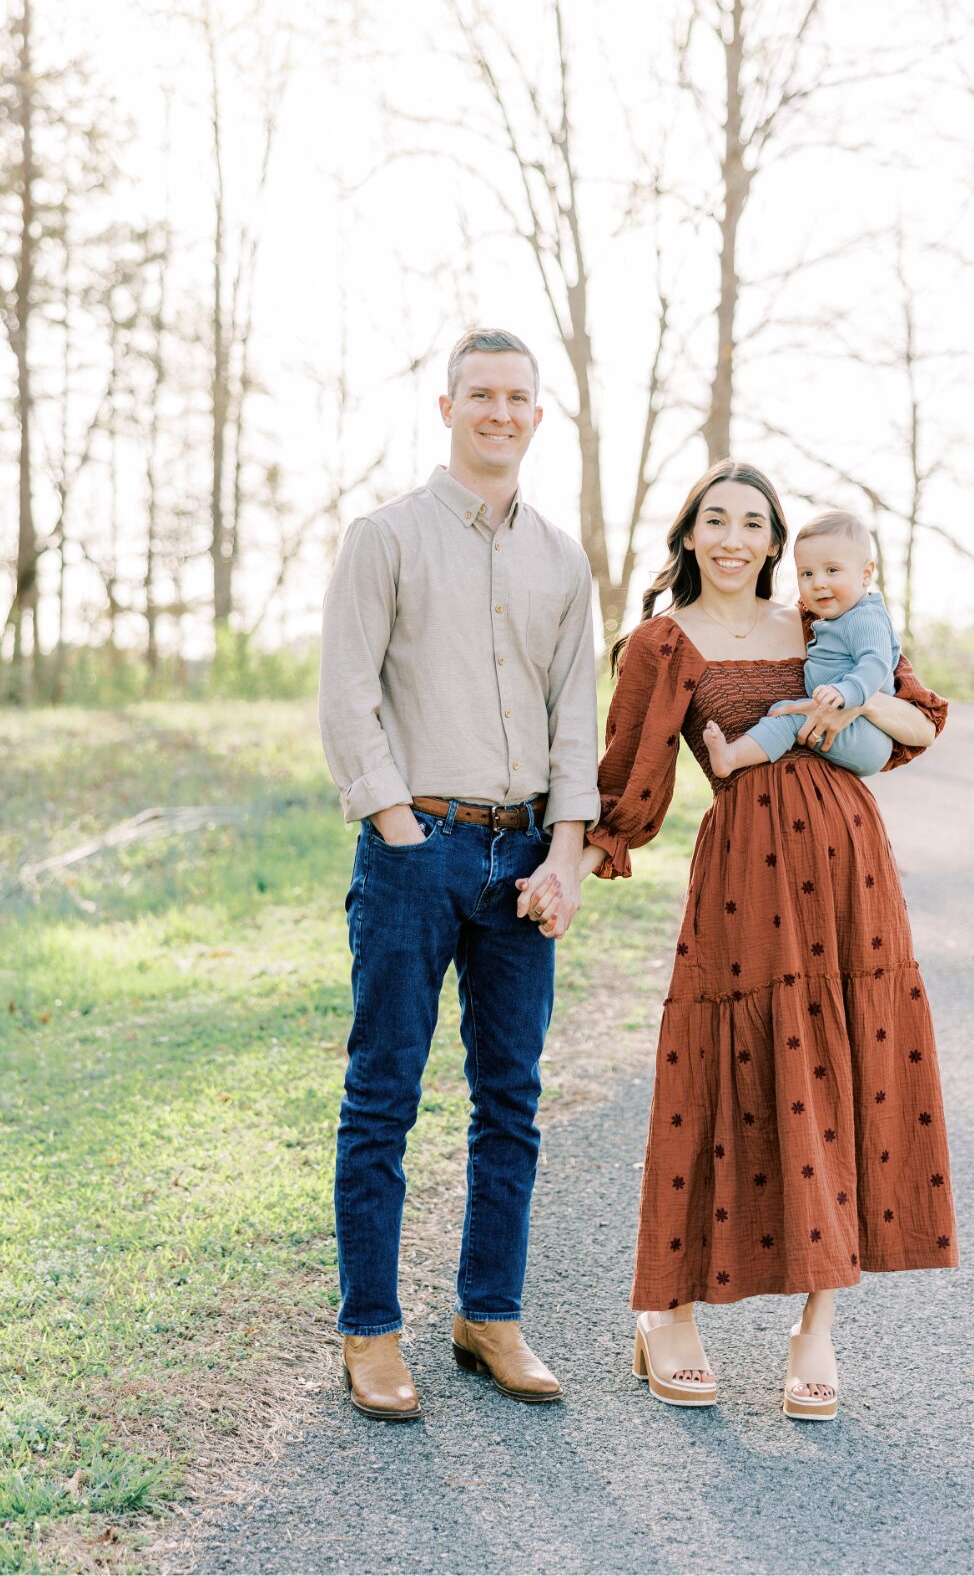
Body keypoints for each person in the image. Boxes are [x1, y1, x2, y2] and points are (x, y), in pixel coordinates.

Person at [577, 460, 957, 1420]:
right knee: (716, 1080)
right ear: (691, 534)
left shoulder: (827, 623)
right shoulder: (665, 644)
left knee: (851, 1073)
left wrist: (854, 700)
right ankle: (666, 1311)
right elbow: (626, 778)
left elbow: (922, 721)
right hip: (746, 882)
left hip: (853, 878)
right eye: (718, 519)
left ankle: (817, 1328)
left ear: (777, 541)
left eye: (755, 522)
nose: (736, 537)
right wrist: (565, 869)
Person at [318, 327, 598, 1420]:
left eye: (517, 396)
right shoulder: (383, 537)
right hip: (413, 849)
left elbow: (574, 715)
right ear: (446, 408)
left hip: (525, 855)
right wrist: (397, 829)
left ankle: (489, 1312)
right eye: (479, 393)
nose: (499, 410)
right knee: (382, 1095)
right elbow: (348, 693)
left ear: (537, 413)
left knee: (511, 1099)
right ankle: (371, 1330)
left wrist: (566, 851)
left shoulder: (562, 559)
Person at [704, 508, 899, 781]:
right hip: (849, 723)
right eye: (806, 574)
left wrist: (846, 692)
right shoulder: (835, 619)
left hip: (866, 733)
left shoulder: (865, 617)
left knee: (790, 716)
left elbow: (875, 664)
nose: (818, 583)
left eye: (832, 570)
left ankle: (731, 757)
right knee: (788, 711)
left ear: (866, 574)